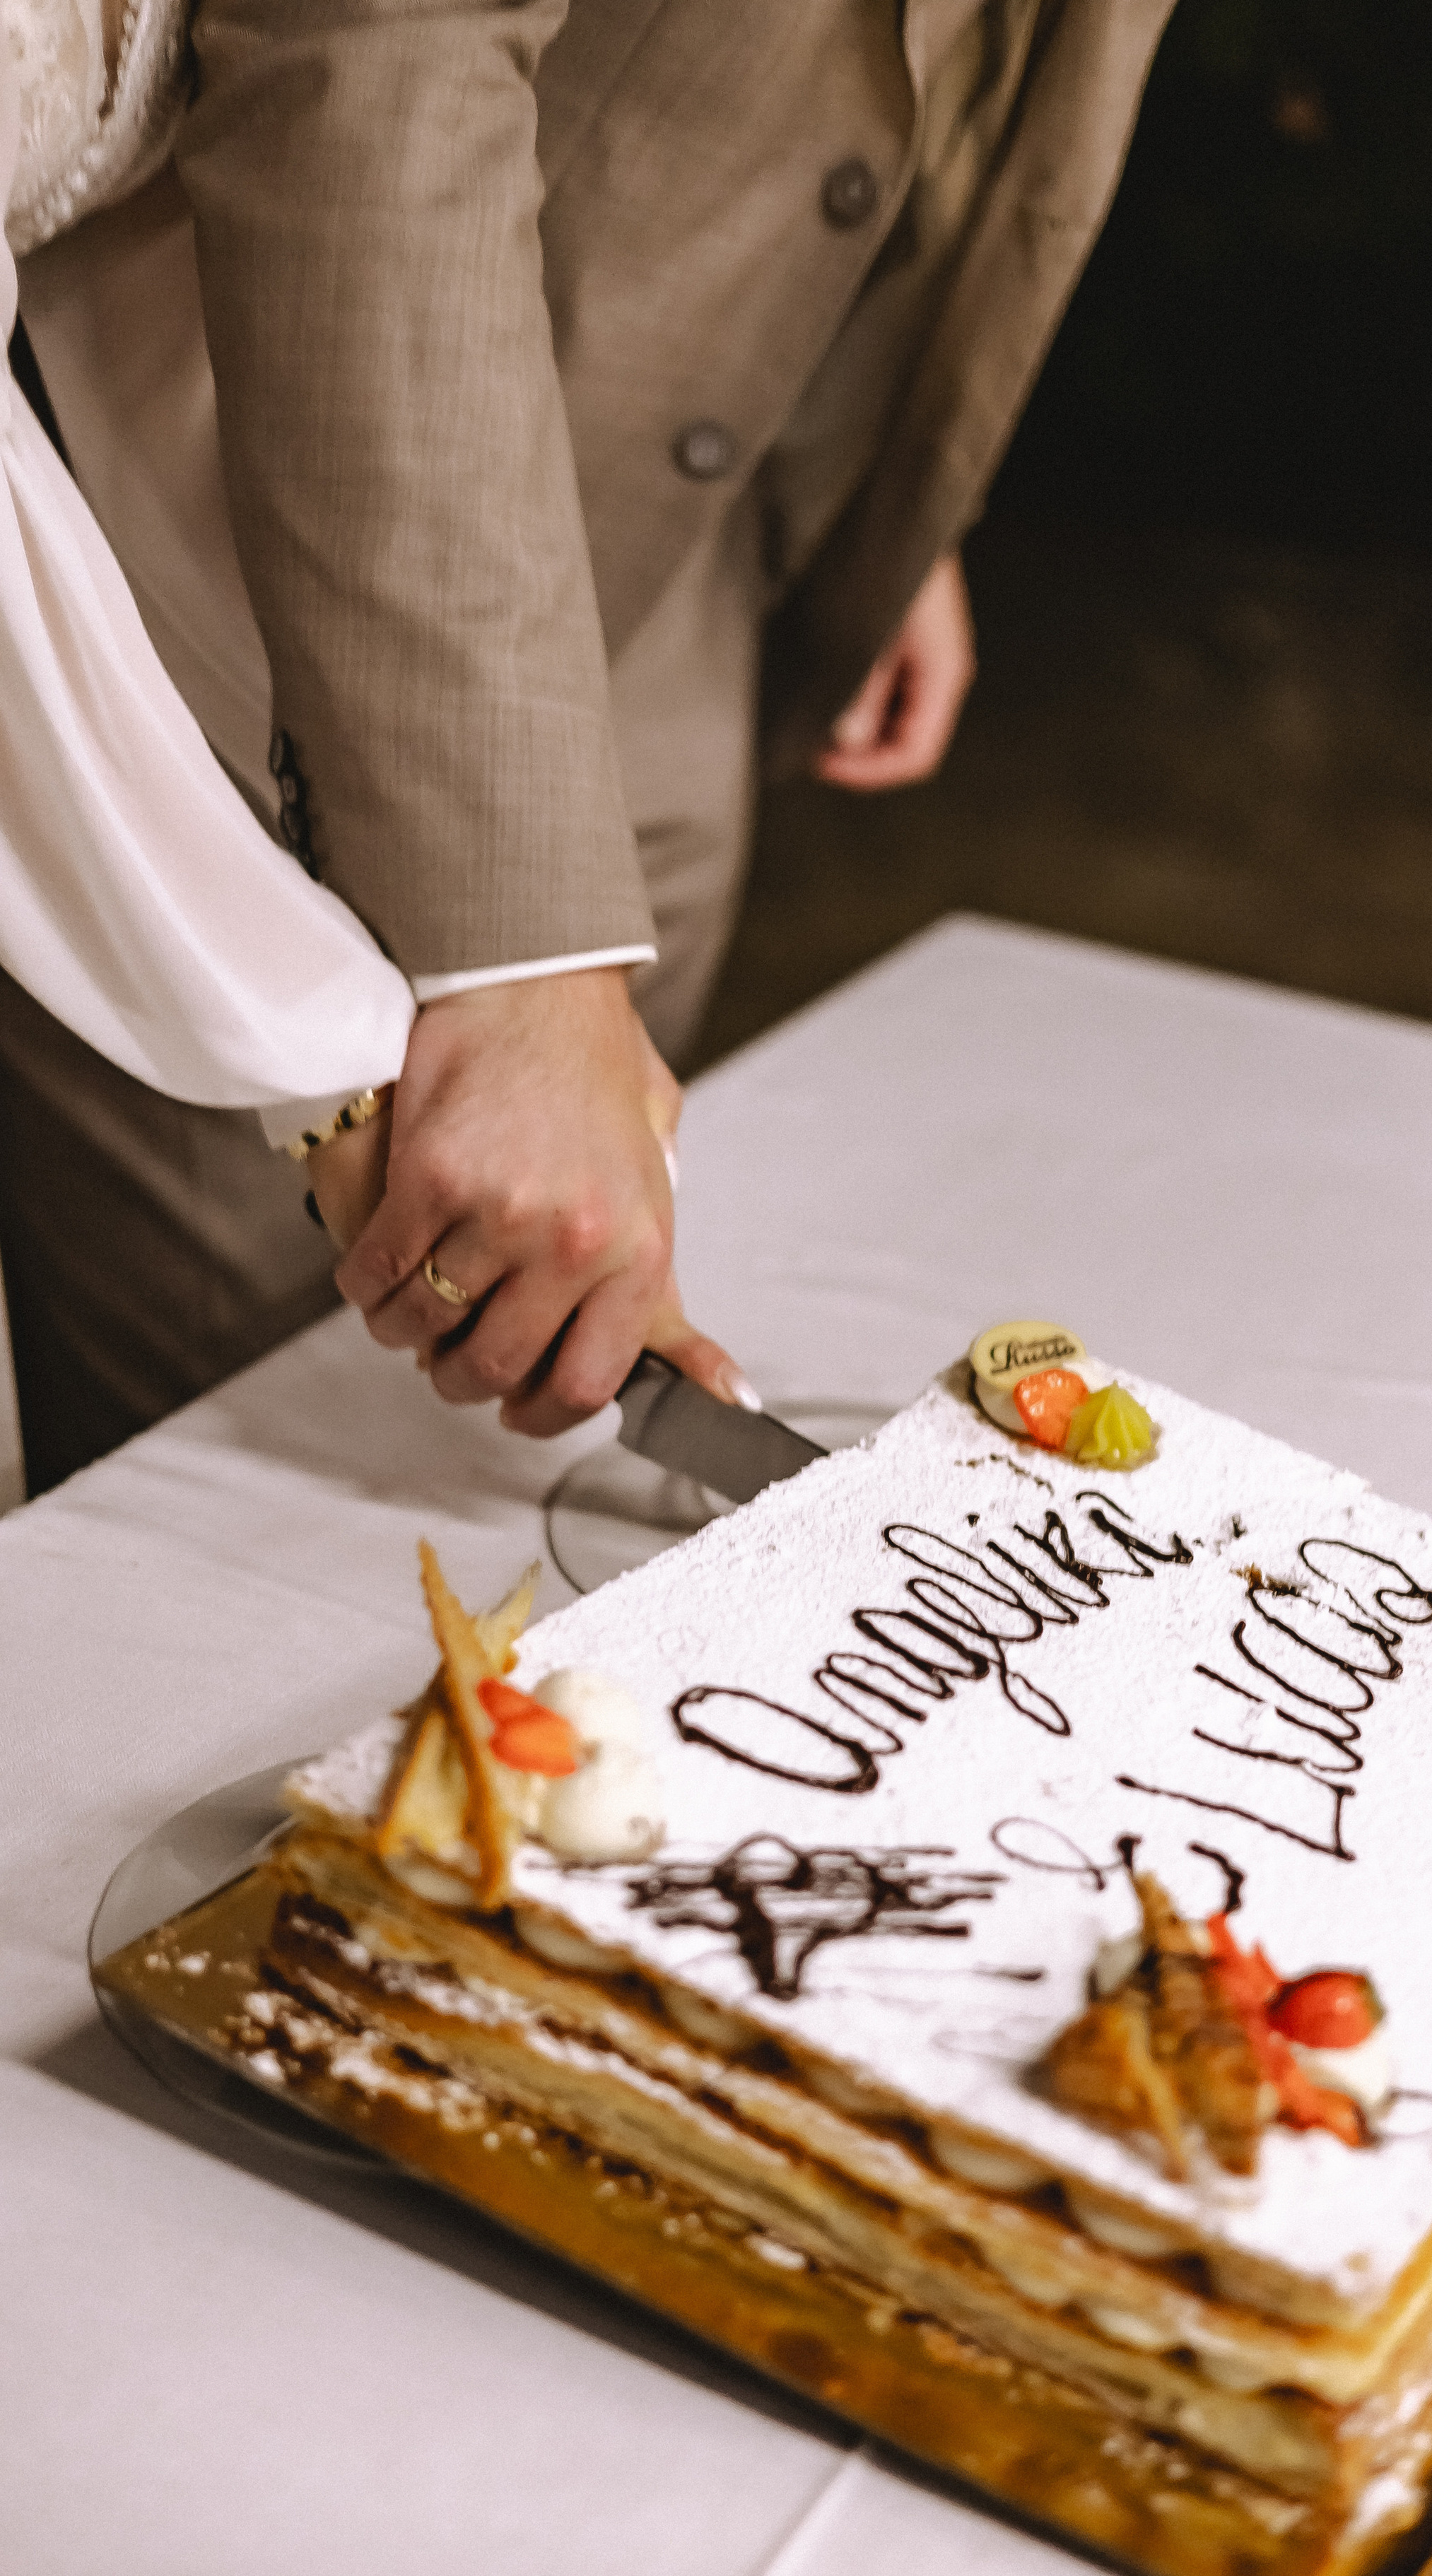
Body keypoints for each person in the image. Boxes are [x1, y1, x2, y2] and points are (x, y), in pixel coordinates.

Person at [1, 0, 1173, 1495]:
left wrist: (872, 478)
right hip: (239, 547)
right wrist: (519, 956)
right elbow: (378, 64)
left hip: (686, 563)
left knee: (564, 1309)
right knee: (233, 1475)